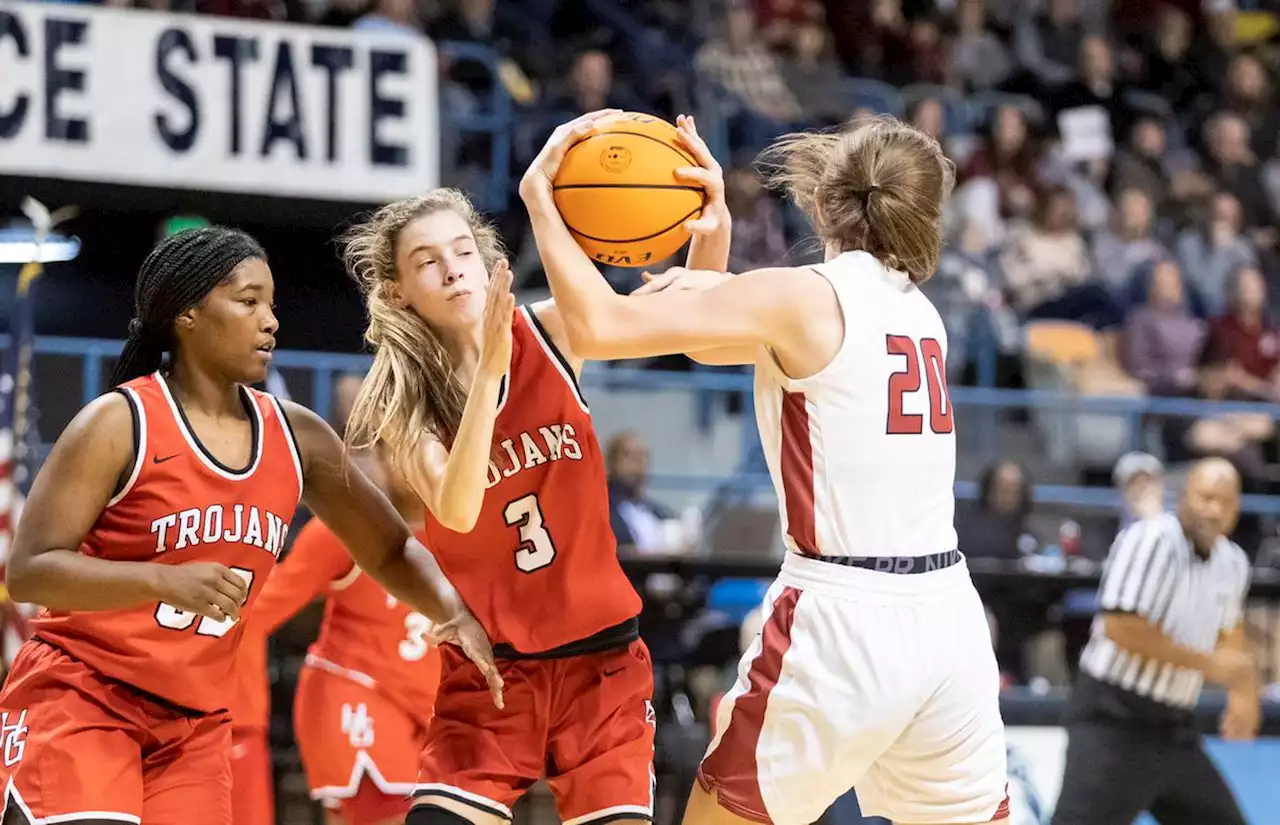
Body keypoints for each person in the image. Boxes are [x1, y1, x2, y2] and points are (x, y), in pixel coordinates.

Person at [520, 111, 1009, 824]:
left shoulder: (803, 295)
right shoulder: (919, 309)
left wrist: (541, 201)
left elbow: (602, 327)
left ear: (818, 204)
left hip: (844, 615)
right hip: (948, 618)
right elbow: (708, 338)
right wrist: (709, 232)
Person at [0, 227, 499, 825]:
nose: (271, 322)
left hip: (192, 724)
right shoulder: (117, 423)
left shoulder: (299, 437)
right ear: (187, 313)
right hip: (82, 697)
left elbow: (390, 548)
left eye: (272, 305)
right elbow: (30, 572)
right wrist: (161, 582)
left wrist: (456, 612)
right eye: (248, 301)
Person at [341, 113, 731, 825]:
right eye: (427, 260)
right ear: (398, 291)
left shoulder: (551, 331)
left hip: (602, 668)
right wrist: (488, 379)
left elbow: (688, 318)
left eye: (462, 248)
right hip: (494, 678)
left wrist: (714, 224)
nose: (452, 266)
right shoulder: (403, 399)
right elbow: (455, 509)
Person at [232, 445, 443, 825]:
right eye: (402, 446)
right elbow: (255, 612)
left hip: (426, 707)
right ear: (381, 456)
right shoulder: (347, 527)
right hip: (357, 689)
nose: (418, 458)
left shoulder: (474, 527)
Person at [1053, 458, 1257, 825]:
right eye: (1206, 497)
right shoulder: (1148, 539)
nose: (1214, 510)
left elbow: (1230, 636)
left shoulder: (1234, 562)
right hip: (1113, 718)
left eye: (1225, 502)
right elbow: (1122, 628)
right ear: (1183, 497)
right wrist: (1209, 665)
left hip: (1175, 728)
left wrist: (1243, 690)